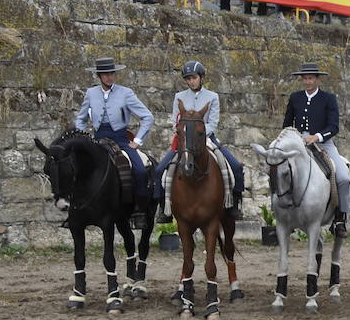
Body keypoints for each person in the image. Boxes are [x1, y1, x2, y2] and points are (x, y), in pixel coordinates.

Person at [151, 61, 247, 223]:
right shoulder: (179, 97)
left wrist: (199, 136)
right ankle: (164, 209)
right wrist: (184, 135)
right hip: (184, 141)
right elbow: (176, 122)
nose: (191, 82)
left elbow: (213, 123)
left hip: (207, 138)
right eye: (188, 79)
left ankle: (234, 204)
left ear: (201, 78)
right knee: (160, 170)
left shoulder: (212, 97)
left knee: (235, 167)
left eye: (194, 78)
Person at [282, 63, 350, 236]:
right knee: (281, 171)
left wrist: (317, 137)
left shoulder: (328, 98)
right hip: (299, 144)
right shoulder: (295, 98)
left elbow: (334, 126)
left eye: (310, 78)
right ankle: (287, 215)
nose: (307, 82)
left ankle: (339, 219)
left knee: (343, 177)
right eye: (305, 78)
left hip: (323, 143)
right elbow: (286, 125)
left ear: (317, 79)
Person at [74, 57, 154, 209]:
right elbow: (81, 120)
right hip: (97, 139)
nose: (109, 77)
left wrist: (137, 141)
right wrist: (82, 137)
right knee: (73, 167)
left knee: (140, 170)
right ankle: (76, 209)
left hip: (121, 139)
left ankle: (139, 209)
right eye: (105, 74)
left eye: (112, 73)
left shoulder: (126, 93)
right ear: (99, 76)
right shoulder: (91, 93)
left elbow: (148, 117)